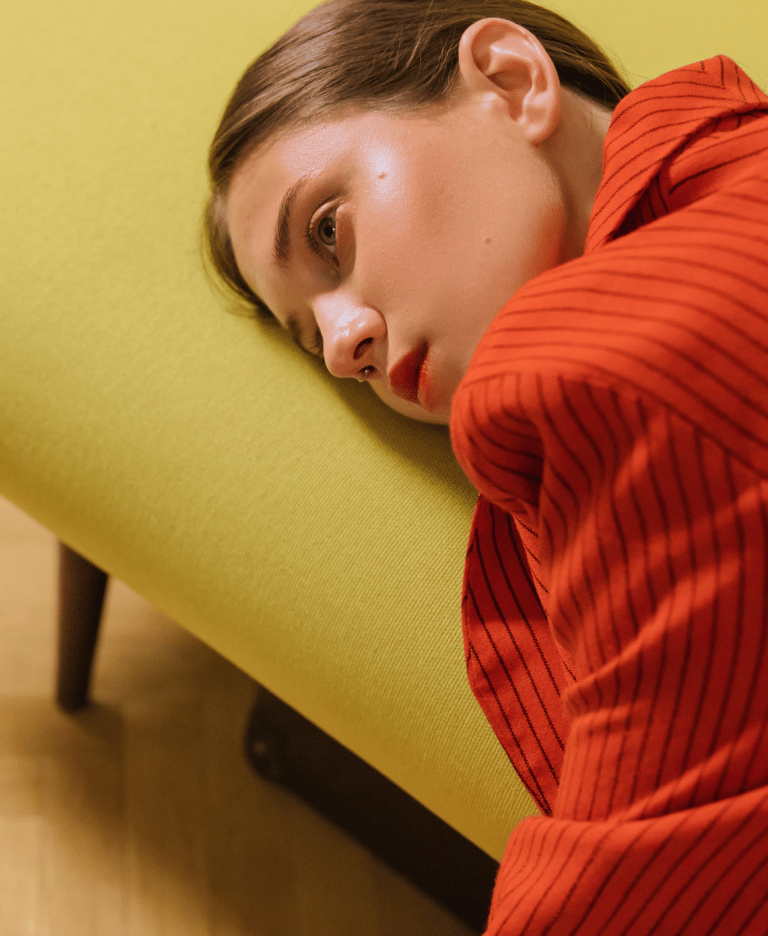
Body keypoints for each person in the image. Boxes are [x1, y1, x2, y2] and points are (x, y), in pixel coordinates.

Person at [204, 1, 768, 933]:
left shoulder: (596, 373)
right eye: (313, 338)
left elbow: (643, 868)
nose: (344, 345)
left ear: (510, 79)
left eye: (329, 233)